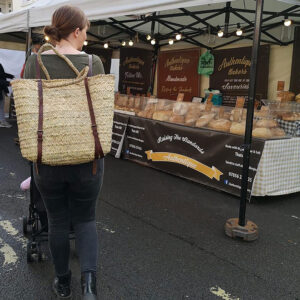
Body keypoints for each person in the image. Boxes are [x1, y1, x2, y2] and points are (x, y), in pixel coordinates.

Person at [23, 5, 105, 300]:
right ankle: (90, 287)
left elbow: (29, 113)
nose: (86, 37)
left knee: (57, 221)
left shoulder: (35, 63)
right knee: (85, 220)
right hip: (88, 161)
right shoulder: (94, 63)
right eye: (85, 31)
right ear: (76, 31)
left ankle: (62, 283)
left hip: (48, 158)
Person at [0, 63, 14, 128]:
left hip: (1, 88)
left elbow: (1, 74)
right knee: (1, 106)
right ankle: (2, 122)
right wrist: (8, 83)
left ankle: (2, 121)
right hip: (1, 87)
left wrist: (10, 76)